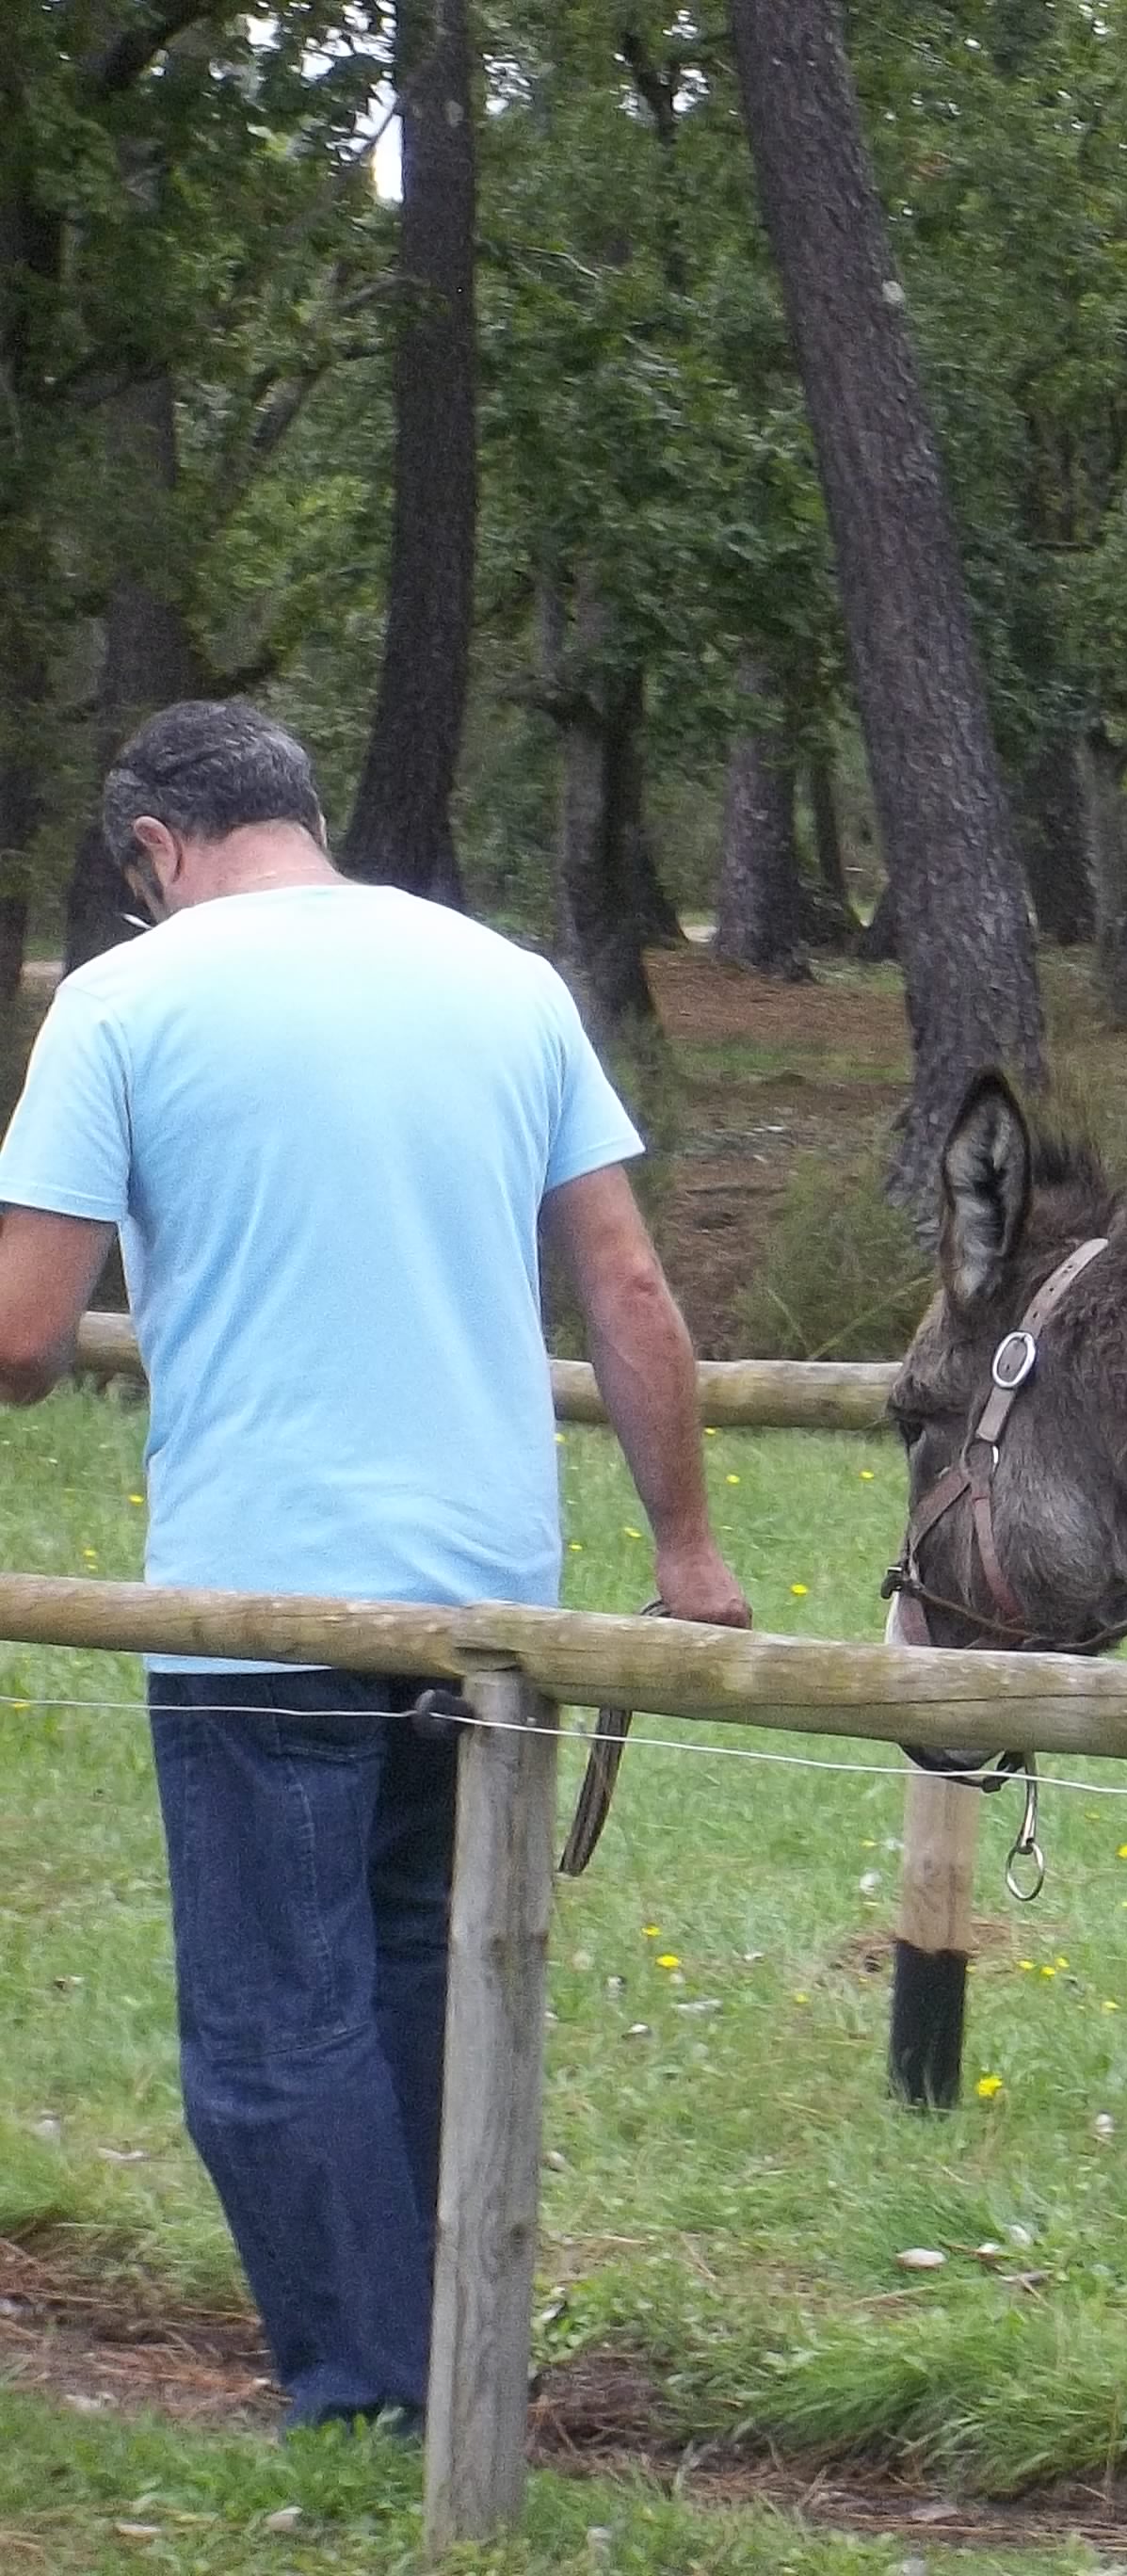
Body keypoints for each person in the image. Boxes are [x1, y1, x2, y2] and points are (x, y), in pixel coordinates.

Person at [0, 700, 749, 2436]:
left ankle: (373, 2402)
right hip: (487, 1592)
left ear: (155, 854)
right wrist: (689, 1545)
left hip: (259, 1593)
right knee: (427, 1977)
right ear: (307, 820)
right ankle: (449, 2366)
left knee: (273, 2029)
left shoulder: (119, 1000)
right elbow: (629, 1292)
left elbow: (27, 1336)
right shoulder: (506, 985)